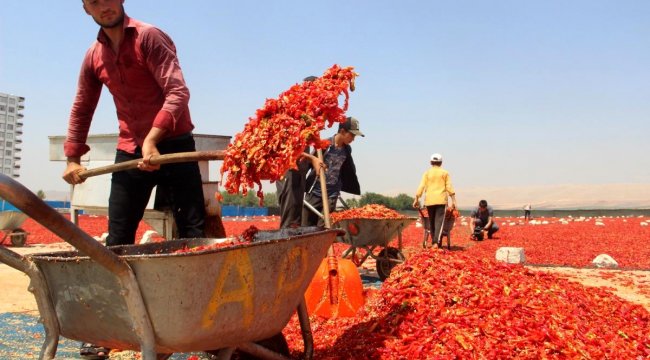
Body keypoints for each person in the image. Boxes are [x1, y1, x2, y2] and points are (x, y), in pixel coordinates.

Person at [62, 2, 205, 357]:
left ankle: (200, 327)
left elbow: (177, 92)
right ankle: (109, 330)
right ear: (85, 9)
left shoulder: (149, 37)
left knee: (193, 236)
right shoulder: (94, 56)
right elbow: (83, 105)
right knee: (117, 241)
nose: (103, 5)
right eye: (93, 1)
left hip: (173, 145)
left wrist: (154, 139)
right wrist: (72, 156)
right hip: (130, 150)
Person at [275, 77, 325, 228]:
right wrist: (312, 159)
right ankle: (285, 250)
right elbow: (288, 150)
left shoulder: (308, 117)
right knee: (290, 220)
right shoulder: (292, 115)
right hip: (289, 171)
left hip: (299, 172)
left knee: (296, 219)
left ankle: (293, 250)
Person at [302, 117, 363, 227]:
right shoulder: (324, 145)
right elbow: (309, 163)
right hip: (315, 192)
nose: (353, 139)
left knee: (324, 228)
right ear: (342, 131)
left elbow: (346, 170)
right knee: (306, 227)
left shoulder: (347, 150)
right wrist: (300, 184)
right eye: (352, 135)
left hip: (331, 195)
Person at [412, 153, 457, 248]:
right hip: (441, 200)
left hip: (429, 201)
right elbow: (449, 186)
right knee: (439, 222)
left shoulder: (427, 173)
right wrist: (454, 200)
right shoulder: (445, 173)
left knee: (432, 222)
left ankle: (434, 242)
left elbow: (421, 186)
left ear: (430, 162)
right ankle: (436, 242)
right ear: (441, 163)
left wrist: (416, 198)